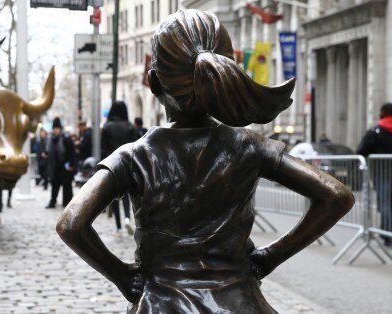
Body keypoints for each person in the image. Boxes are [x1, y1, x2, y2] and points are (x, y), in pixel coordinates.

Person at [57, 9, 354, 313]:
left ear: (154, 83)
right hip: (239, 303)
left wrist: (120, 275)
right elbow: (336, 196)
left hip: (161, 303)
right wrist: (271, 256)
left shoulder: (134, 157)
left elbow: (71, 223)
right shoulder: (250, 146)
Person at [357, 103, 392, 248]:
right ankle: (385, 232)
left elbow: (361, 150)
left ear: (382, 112)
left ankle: (389, 236)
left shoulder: (376, 130)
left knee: (384, 204)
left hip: (380, 172)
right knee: (389, 202)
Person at [102, 101, 137, 234]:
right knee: (127, 194)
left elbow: (103, 148)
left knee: (114, 195)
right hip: (127, 163)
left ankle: (117, 225)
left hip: (112, 164)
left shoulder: (107, 127)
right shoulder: (129, 126)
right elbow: (135, 146)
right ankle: (127, 218)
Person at [45, 117, 76, 208]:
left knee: (67, 186)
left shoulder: (66, 138)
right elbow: (48, 151)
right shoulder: (51, 139)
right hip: (55, 166)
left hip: (65, 166)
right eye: (54, 128)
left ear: (60, 128)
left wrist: (71, 165)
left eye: (57, 128)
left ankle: (67, 203)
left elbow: (71, 152)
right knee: (55, 185)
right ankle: (53, 201)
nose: (55, 130)